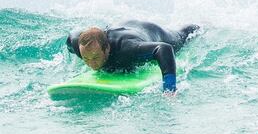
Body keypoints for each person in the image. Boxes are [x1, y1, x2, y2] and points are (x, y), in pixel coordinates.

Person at [66, 20, 199, 92]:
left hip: (151, 32)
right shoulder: (79, 45)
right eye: (86, 59)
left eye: (95, 58)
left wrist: (170, 90)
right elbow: (71, 36)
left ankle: (202, 25)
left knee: (183, 36)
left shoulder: (126, 49)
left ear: (107, 48)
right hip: (120, 26)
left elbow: (164, 48)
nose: (91, 64)